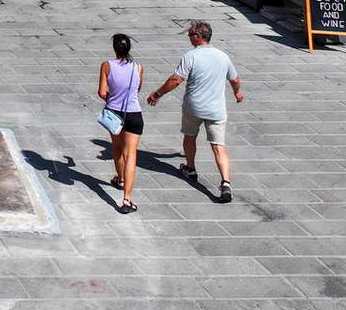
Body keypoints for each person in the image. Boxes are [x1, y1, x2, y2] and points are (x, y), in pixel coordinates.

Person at [146, 20, 244, 202]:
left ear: (199, 37)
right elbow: (235, 79)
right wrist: (237, 93)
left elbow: (176, 80)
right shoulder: (223, 56)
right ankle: (226, 183)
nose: (188, 37)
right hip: (216, 110)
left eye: (190, 34)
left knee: (190, 136)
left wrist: (157, 94)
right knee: (218, 147)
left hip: (194, 107)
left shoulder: (191, 56)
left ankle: (190, 169)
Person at [97, 32, 144, 214]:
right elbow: (137, 89)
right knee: (131, 154)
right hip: (134, 113)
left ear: (114, 48)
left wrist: (112, 97)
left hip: (114, 113)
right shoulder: (138, 67)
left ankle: (120, 178)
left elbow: (102, 92)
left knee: (117, 147)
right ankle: (127, 199)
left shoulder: (107, 66)